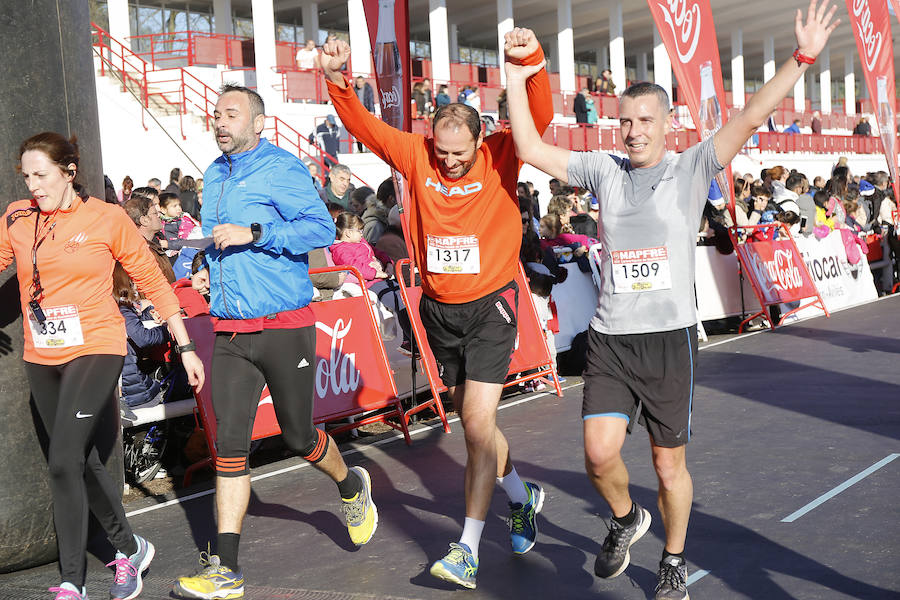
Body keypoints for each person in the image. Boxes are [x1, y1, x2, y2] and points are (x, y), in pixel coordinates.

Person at [504, 3, 838, 598]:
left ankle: (673, 559)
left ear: (666, 122)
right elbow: (527, 147)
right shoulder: (600, 169)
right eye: (625, 121)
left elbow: (753, 113)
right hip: (610, 340)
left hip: (668, 343)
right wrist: (513, 69)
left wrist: (803, 59)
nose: (633, 131)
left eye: (644, 121)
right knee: (598, 455)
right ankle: (628, 518)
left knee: (667, 467)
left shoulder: (692, 166)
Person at [321, 26, 553, 589]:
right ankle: (522, 496)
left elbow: (539, 116)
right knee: (478, 428)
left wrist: (530, 59)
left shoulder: (502, 154)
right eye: (442, 152)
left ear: (479, 142)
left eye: (459, 153)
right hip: (439, 311)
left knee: (475, 424)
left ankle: (467, 549)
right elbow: (366, 129)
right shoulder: (415, 154)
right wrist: (336, 81)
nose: (449, 163)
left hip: (492, 304)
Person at [172, 84, 377, 600]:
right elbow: (222, 240)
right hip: (230, 329)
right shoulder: (214, 173)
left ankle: (351, 485)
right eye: (215, 114)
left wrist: (256, 231)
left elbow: (318, 230)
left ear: (258, 124)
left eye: (231, 114)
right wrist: (206, 268)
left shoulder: (282, 168)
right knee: (229, 449)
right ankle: (226, 569)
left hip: (285, 324)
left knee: (297, 436)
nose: (219, 121)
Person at [1, 132, 203, 600]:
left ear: (69, 171)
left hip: (96, 345)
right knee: (81, 460)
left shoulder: (106, 218)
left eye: (42, 175)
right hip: (42, 353)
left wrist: (187, 346)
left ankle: (72, 581)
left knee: (62, 461)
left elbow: (153, 280)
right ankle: (130, 547)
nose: (34, 185)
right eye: (27, 176)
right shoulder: (17, 217)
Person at [123, 195, 177, 283]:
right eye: (155, 213)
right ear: (144, 220)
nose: (160, 215)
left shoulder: (152, 245)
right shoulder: (137, 252)